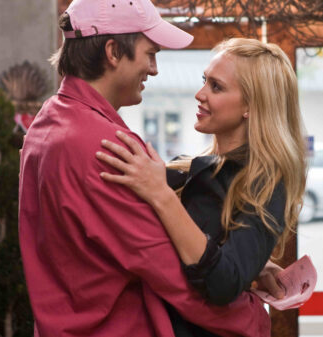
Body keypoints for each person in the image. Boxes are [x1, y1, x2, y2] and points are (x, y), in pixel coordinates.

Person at [18, 1, 271, 336]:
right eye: (150, 53)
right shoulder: (102, 145)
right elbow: (168, 271)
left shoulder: (50, 120)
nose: (153, 69)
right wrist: (254, 317)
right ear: (112, 51)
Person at [95, 38, 308, 331]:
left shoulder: (266, 184)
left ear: (251, 105)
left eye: (216, 87)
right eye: (204, 81)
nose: (199, 94)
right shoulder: (184, 169)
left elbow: (223, 283)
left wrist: (162, 196)